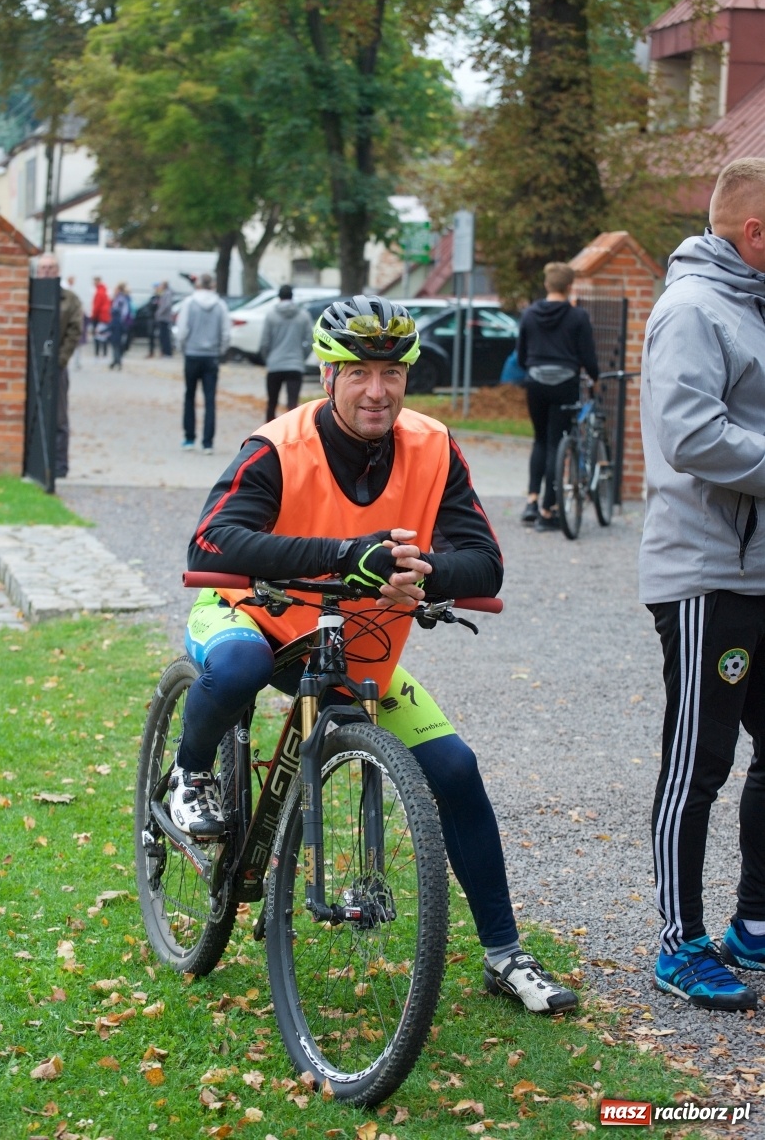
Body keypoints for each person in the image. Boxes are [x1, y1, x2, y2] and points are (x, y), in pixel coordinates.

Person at [175, 294, 579, 1016]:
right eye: (358, 372)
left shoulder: (432, 446)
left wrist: (424, 569)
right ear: (327, 375)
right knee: (235, 670)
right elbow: (212, 542)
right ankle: (189, 774)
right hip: (250, 618)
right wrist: (343, 557)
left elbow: (483, 562)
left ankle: (505, 955)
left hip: (352, 643)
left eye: (392, 373)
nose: (376, 390)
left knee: (455, 768)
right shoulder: (276, 446)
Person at [640, 156, 765, 1012]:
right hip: (707, 575)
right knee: (700, 762)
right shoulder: (692, 307)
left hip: (759, 571)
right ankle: (677, 941)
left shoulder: (752, 303)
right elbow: (692, 434)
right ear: (755, 232)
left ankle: (752, 925)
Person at [516, 263, 598, 531]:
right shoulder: (578, 317)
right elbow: (587, 357)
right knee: (556, 442)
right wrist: (595, 379)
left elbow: (521, 355)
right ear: (569, 286)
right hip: (565, 384)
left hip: (536, 383)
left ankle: (531, 500)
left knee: (539, 440)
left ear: (548, 285)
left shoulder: (529, 314)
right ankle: (548, 510)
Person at [36, 253, 83, 479]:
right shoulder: (29, 294)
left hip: (57, 365)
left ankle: (59, 465)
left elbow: (74, 331)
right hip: (33, 365)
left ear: (58, 271)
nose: (46, 271)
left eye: (51, 268)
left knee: (59, 416)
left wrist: (60, 360)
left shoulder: (69, 299)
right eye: (43, 268)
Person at [175, 272, 231, 453]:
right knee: (209, 399)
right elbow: (226, 333)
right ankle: (208, 442)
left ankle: (189, 438)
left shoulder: (189, 303)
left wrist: (182, 348)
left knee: (189, 396)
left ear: (198, 284)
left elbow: (182, 330)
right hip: (211, 356)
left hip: (192, 354)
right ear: (213, 285)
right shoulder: (220, 305)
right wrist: (220, 350)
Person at [259, 283, 313, 421]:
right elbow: (310, 340)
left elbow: (265, 342)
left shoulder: (271, 315)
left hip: (275, 364)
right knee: (293, 405)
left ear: (279, 297)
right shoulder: (303, 315)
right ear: (292, 296)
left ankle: (268, 435)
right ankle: (292, 436)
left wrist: (268, 359)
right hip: (295, 364)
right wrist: (302, 357)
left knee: (272, 402)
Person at [109, 282, 132, 369]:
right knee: (117, 344)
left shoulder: (120, 299)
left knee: (117, 344)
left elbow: (123, 312)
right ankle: (116, 360)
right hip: (120, 323)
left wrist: (119, 321)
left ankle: (117, 360)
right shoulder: (123, 298)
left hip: (119, 324)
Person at [91, 276, 111, 358]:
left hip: (99, 317)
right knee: (104, 335)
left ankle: (97, 352)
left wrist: (93, 316)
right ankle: (105, 352)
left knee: (97, 335)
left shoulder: (99, 292)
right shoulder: (105, 291)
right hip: (105, 317)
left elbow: (97, 306)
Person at [154, 280, 174, 357]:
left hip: (164, 318)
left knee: (165, 336)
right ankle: (165, 352)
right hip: (163, 317)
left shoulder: (167, 293)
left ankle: (167, 352)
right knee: (163, 336)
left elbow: (166, 305)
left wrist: (159, 312)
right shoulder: (164, 293)